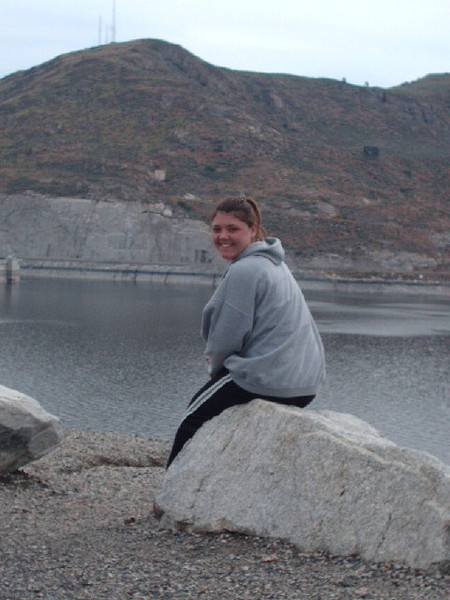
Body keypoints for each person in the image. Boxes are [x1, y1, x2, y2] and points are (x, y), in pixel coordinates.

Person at [166, 196, 326, 467]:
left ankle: (169, 492)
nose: (223, 236)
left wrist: (216, 367)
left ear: (253, 230)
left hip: (270, 378)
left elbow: (227, 334)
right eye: (217, 229)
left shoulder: (245, 270)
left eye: (233, 229)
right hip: (305, 384)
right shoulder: (275, 263)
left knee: (192, 417)